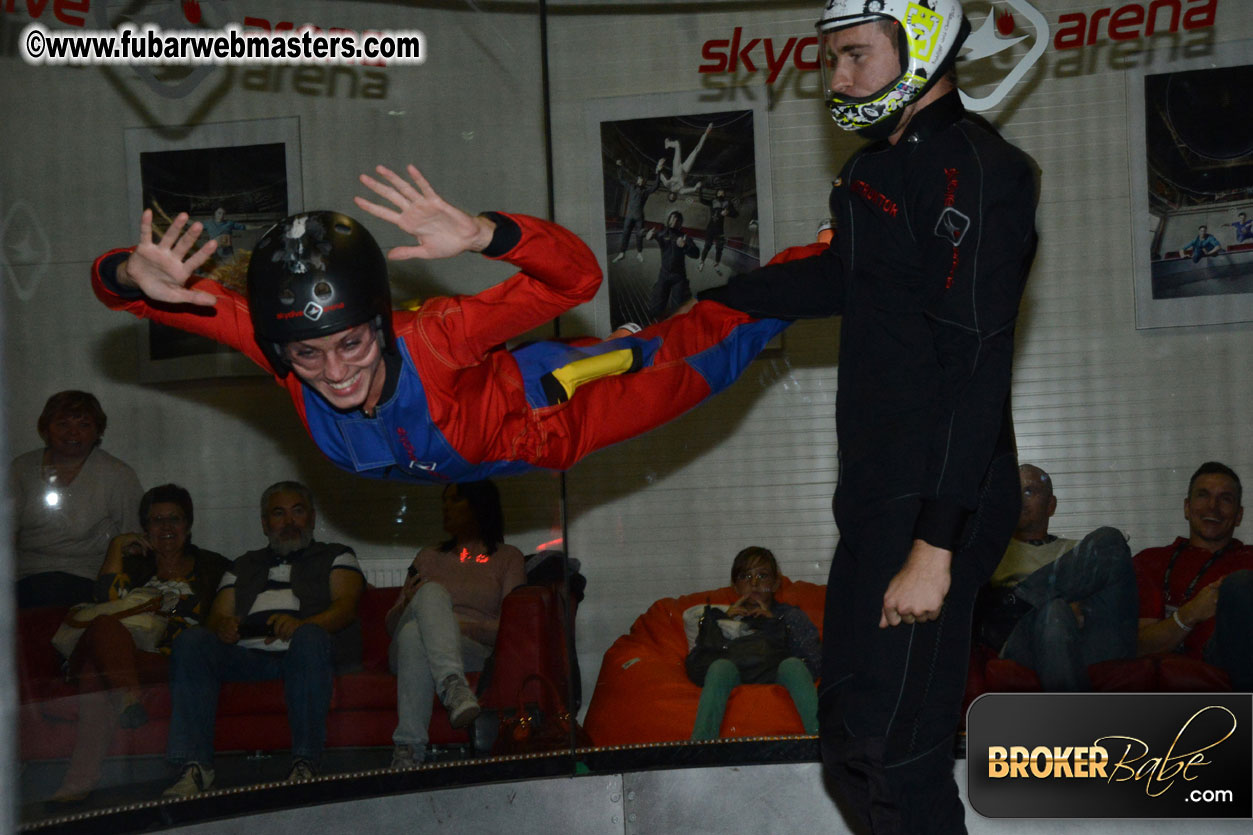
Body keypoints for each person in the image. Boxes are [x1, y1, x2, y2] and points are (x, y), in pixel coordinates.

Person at [697, 2, 1037, 831]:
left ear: (919, 45)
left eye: (853, 55)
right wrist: (696, 307)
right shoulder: (868, 173)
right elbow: (838, 280)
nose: (835, 80)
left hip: (940, 498)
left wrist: (935, 545)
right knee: (849, 740)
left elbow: (976, 363)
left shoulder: (983, 170)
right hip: (878, 493)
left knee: (895, 750)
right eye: (830, 60)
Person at [91, 164, 789, 486]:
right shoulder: (275, 349)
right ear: (279, 347)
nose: (333, 373)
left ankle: (816, 265)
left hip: (557, 410)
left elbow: (576, 279)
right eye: (307, 355)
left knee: (715, 348)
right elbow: (120, 293)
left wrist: (489, 234)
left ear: (378, 322)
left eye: (352, 344)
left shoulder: (437, 337)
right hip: (472, 461)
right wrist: (130, 274)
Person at [162, 481, 364, 797]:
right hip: (247, 656)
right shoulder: (243, 565)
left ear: (311, 517)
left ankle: (305, 763)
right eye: (278, 514)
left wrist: (301, 625)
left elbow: (345, 608)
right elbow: (216, 617)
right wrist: (223, 627)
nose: (289, 522)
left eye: (297, 512)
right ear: (265, 523)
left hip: (306, 653)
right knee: (192, 641)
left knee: (310, 637)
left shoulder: (337, 555)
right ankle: (195, 767)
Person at [50, 484, 229, 805]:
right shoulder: (134, 566)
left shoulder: (213, 567)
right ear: (145, 528)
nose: (165, 528)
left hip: (168, 658)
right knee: (104, 627)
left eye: (174, 519)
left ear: (188, 525)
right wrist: (115, 548)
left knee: (96, 673)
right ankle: (127, 696)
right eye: (156, 520)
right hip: (123, 654)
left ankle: (80, 781)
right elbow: (104, 602)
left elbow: (223, 615)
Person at [385, 479, 525, 768]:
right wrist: (409, 604)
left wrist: (446, 624)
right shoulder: (428, 556)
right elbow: (390, 628)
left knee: (414, 635)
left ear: (479, 505)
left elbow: (510, 630)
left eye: (455, 500)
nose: (446, 507)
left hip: (472, 650)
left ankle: (409, 751)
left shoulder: (508, 558)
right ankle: (454, 687)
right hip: (410, 650)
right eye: (444, 501)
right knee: (430, 596)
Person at [977, 465, 1136, 691]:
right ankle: (1073, 722)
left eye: (1030, 491)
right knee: (1054, 611)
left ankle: (1026, 598)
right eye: (1014, 492)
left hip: (1088, 639)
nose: (1020, 499)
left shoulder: (1078, 552)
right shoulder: (993, 553)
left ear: (1051, 505)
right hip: (1025, 641)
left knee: (1111, 538)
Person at [12, 390, 144, 608]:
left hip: (87, 580)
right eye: (63, 424)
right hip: (25, 579)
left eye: (84, 425)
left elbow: (135, 540)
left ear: (97, 432)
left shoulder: (117, 474)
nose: (73, 433)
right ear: (46, 429)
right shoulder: (21, 469)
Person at [1133, 462, 1253, 691]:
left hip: (1231, 657)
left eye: (1225, 499)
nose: (1213, 507)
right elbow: (1139, 646)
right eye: (1203, 495)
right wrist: (1191, 613)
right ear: (1187, 508)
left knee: (1240, 584)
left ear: (1238, 515)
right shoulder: (1151, 561)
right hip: (1181, 666)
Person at [682, 546, 820, 740]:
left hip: (777, 672)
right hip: (733, 673)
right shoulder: (720, 616)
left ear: (775, 583)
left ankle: (819, 739)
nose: (754, 583)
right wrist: (718, 623)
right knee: (720, 667)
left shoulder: (789, 616)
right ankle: (701, 747)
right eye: (746, 577)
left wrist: (773, 624)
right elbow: (696, 669)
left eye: (762, 576)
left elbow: (814, 664)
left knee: (794, 666)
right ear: (735, 586)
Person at [644, 210, 699, 321]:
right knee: (655, 309)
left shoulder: (684, 237)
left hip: (679, 277)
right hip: (664, 274)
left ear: (681, 223)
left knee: (678, 309)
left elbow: (696, 254)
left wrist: (684, 246)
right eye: (673, 218)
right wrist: (647, 235)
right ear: (668, 220)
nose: (675, 221)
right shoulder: (662, 234)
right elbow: (645, 234)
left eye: (678, 220)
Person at [611, 161, 659, 263]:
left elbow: (655, 186)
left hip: (639, 217)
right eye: (640, 180)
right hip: (629, 216)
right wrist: (619, 167)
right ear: (637, 180)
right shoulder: (631, 187)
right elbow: (621, 179)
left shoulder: (645, 192)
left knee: (639, 235)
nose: (641, 182)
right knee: (625, 234)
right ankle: (622, 253)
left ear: (644, 182)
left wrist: (658, 173)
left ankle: (639, 253)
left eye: (643, 181)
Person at [657, 123, 711, 200]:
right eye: (673, 198)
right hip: (685, 170)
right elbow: (693, 189)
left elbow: (658, 174)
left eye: (671, 197)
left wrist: (659, 165)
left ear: (669, 195)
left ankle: (668, 144)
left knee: (677, 144)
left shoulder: (668, 185)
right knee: (696, 151)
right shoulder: (681, 191)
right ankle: (706, 133)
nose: (673, 196)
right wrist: (697, 186)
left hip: (677, 167)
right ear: (675, 197)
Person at [696, 187, 737, 274]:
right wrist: (700, 189)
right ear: (716, 194)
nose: (721, 194)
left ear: (724, 194)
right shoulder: (713, 201)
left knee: (719, 248)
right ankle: (701, 262)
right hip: (710, 228)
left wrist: (728, 213)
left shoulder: (728, 203)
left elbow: (736, 214)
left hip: (720, 230)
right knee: (707, 246)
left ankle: (716, 264)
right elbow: (701, 200)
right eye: (719, 192)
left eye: (723, 193)